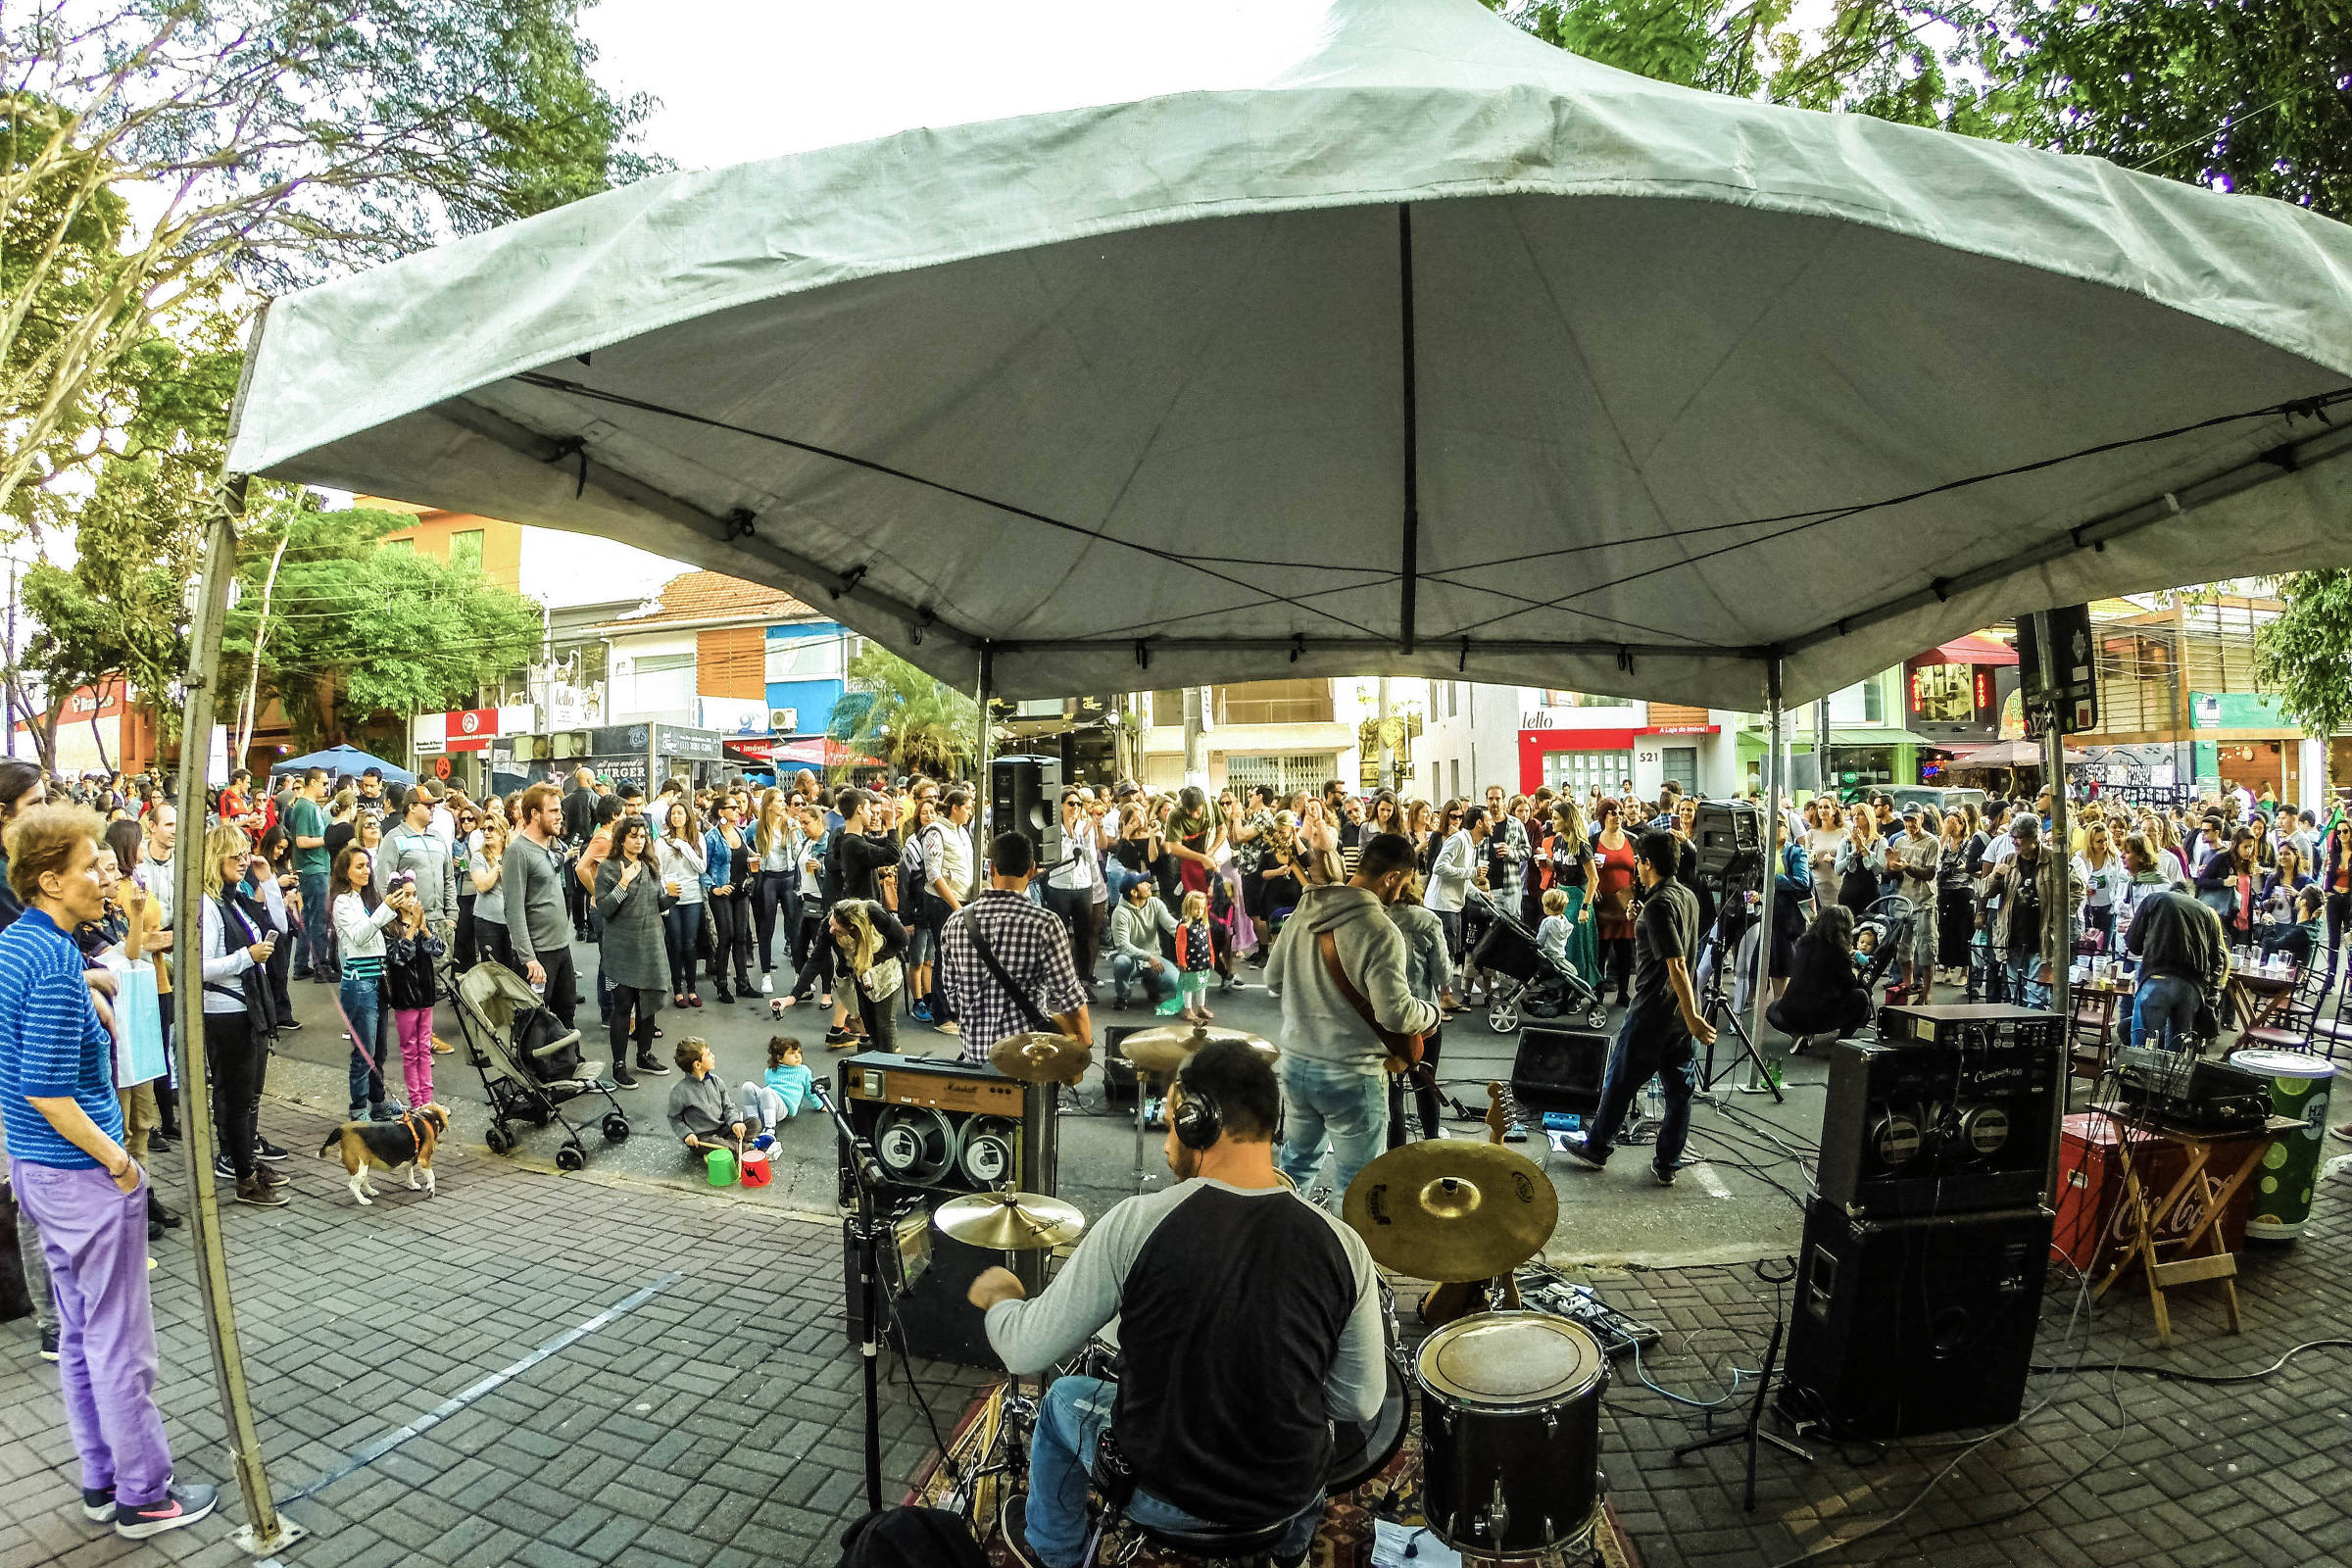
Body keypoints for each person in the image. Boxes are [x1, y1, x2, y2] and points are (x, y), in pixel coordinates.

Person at [969, 1039, 1383, 1568]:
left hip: (1163, 1498)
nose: (1169, 1140)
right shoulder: (1344, 1245)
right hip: (1285, 1502)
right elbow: (1358, 1405)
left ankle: (1055, 1551)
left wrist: (1003, 1301)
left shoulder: (1137, 1223)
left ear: (1194, 1121)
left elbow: (1025, 1354)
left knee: (1062, 1400)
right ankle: (1290, 1552)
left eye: (1170, 1121)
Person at [0, 804, 219, 1539]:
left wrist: (94, 976)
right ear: (50, 881)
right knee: (121, 1345)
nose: (108, 878)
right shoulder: (53, 965)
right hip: (80, 1176)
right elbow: (48, 1090)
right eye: (91, 867)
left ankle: (102, 1480)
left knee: (79, 1335)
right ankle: (145, 1495)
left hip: (37, 1174)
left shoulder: (21, 945)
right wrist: (123, 1164)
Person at [1265, 832, 1440, 1199]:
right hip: (1352, 1074)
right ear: (1391, 878)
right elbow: (1395, 1014)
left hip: (1296, 1065)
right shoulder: (1380, 929)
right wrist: (1432, 1013)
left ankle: (1283, 1246)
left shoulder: (1303, 911)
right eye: (1404, 882)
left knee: (1292, 1171)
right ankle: (1347, 1256)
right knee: (1359, 1187)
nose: (1401, 892)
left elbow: (1272, 978)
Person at [1563, 831, 1717, 1185]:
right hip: (1677, 1015)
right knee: (1679, 1093)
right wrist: (1642, 915)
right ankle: (1667, 1163)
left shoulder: (1660, 905)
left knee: (1619, 1082)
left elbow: (1676, 964)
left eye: (1639, 861)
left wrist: (1695, 1017)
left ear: (1647, 863)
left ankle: (1597, 1147)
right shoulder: (1684, 897)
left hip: (1653, 1012)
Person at [940, 832, 1091, 1068]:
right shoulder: (1045, 923)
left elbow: (952, 998)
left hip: (974, 1059)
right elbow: (1070, 996)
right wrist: (1086, 1042)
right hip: (1027, 1060)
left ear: (991, 868)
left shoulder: (956, 922)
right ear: (1032, 870)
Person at [330, 846, 409, 1124]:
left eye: (367, 866)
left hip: (378, 980)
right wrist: (386, 908)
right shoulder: (342, 902)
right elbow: (360, 936)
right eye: (359, 866)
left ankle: (377, 1103)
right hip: (359, 982)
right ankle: (358, 1107)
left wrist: (393, 909)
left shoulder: (364, 898)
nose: (365, 871)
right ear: (345, 871)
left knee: (379, 1051)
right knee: (363, 1052)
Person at [596, 815, 671, 1088]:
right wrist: (624, 882)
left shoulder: (650, 865)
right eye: (633, 836)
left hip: (650, 944)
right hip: (621, 948)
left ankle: (644, 1055)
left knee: (648, 1005)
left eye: (642, 836)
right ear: (622, 839)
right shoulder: (608, 868)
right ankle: (618, 1065)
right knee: (623, 1007)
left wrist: (671, 896)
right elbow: (604, 909)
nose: (638, 841)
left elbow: (658, 903)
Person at [2125, 858, 2227, 1053]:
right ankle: (2170, 1083)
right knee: (2176, 1058)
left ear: (2172, 890)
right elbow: (2217, 960)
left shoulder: (2155, 899)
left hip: (2156, 979)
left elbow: (2133, 945)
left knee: (2141, 1051)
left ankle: (2139, 1079)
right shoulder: (2206, 912)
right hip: (2191, 988)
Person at [504, 783, 578, 1034]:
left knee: (566, 1014)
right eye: (553, 811)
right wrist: (529, 959)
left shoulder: (548, 846)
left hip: (560, 948)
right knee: (534, 1024)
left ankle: (568, 1066)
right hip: (537, 955)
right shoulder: (518, 852)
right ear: (535, 814)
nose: (560, 816)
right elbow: (513, 909)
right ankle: (534, 1073)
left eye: (560, 811)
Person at [1767, 905, 1874, 1047]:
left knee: (1773, 1008)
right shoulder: (1839, 953)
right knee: (1861, 996)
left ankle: (1799, 1032)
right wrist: (1855, 970)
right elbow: (1849, 984)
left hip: (1791, 1013)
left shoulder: (1803, 944)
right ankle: (1841, 1042)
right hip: (1819, 1016)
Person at [374, 782, 458, 949]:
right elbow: (383, 882)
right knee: (415, 974)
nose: (432, 809)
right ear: (412, 807)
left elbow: (448, 878)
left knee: (443, 973)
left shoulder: (438, 838)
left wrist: (452, 916)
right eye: (428, 805)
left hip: (441, 922)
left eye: (433, 805)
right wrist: (400, 921)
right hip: (409, 925)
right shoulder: (394, 838)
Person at [383, 887, 444, 1111]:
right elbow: (399, 957)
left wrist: (425, 928)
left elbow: (439, 950)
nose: (412, 899)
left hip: (425, 996)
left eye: (414, 894)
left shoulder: (421, 925)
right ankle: (416, 1101)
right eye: (406, 895)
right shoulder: (390, 926)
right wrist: (411, 930)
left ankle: (428, 1099)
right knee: (411, 1052)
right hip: (405, 999)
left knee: (425, 1049)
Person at [655, 800, 710, 1009]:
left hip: (692, 896)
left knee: (690, 943)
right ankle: (677, 990)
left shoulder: (698, 839)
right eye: (673, 813)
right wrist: (664, 894)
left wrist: (684, 846)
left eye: (680, 813)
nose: (676, 817)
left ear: (688, 816)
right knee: (675, 943)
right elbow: (657, 870)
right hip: (671, 898)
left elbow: (701, 867)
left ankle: (692, 988)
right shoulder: (661, 841)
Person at [664, 1037, 753, 1162]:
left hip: (723, 1128)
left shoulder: (716, 1081)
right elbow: (674, 1118)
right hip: (703, 1137)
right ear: (697, 1065)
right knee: (712, 1144)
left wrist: (735, 1122)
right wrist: (687, 1134)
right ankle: (741, 1148)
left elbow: (728, 1106)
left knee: (755, 1123)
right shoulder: (680, 1091)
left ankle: (733, 1147)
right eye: (709, 1054)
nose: (713, 1056)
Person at [284, 768, 334, 982]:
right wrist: (328, 840)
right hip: (313, 868)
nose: (326, 787)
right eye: (323, 783)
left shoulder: (308, 806)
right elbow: (302, 841)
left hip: (315, 867)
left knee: (309, 917)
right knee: (318, 919)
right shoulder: (305, 807)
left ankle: (301, 964)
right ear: (312, 782)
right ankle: (321, 966)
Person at [704, 800, 754, 1004]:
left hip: (741, 891)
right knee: (727, 936)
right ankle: (722, 984)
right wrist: (713, 887)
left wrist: (753, 863)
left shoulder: (740, 832)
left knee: (741, 936)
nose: (737, 810)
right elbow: (703, 868)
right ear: (721, 811)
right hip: (722, 892)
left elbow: (744, 857)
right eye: (732, 808)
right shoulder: (712, 837)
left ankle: (743, 983)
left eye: (737, 807)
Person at [1590, 801, 1639, 1007]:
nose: (1617, 816)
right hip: (1602, 904)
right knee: (1600, 952)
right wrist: (1591, 890)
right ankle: (1598, 994)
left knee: (1625, 950)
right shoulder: (1592, 842)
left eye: (1619, 813)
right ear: (1602, 817)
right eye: (1612, 813)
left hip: (1625, 904)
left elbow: (1640, 870)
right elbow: (1586, 870)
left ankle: (1623, 992)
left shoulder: (1632, 840)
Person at [1105, 876, 1177, 1011]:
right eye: (1143, 883)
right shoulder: (1120, 913)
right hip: (1131, 959)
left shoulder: (1156, 903)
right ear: (1134, 892)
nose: (1148, 885)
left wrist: (1190, 935)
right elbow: (1123, 946)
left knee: (1177, 982)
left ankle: (1152, 985)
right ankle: (1122, 996)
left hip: (1154, 958)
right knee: (1121, 962)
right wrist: (1149, 957)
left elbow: (1172, 925)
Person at [741, 1035, 813, 1140]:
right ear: (779, 1058)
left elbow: (810, 1090)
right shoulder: (769, 1071)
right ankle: (753, 1119)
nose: (798, 1056)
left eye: (799, 1052)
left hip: (784, 1108)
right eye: (792, 1053)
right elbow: (768, 1092)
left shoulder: (804, 1071)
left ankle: (770, 1128)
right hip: (770, 1103)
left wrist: (820, 1105)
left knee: (767, 1091)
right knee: (747, 1086)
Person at [1174, 890, 1216, 1022]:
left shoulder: (1204, 924)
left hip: (1203, 962)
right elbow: (1180, 946)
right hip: (1190, 963)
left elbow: (1209, 942)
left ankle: (1201, 1007)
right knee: (1189, 987)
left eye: (1201, 909)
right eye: (1195, 908)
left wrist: (1212, 958)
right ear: (1188, 908)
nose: (1199, 911)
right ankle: (1188, 1009)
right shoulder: (1184, 926)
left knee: (1202, 986)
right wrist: (1181, 962)